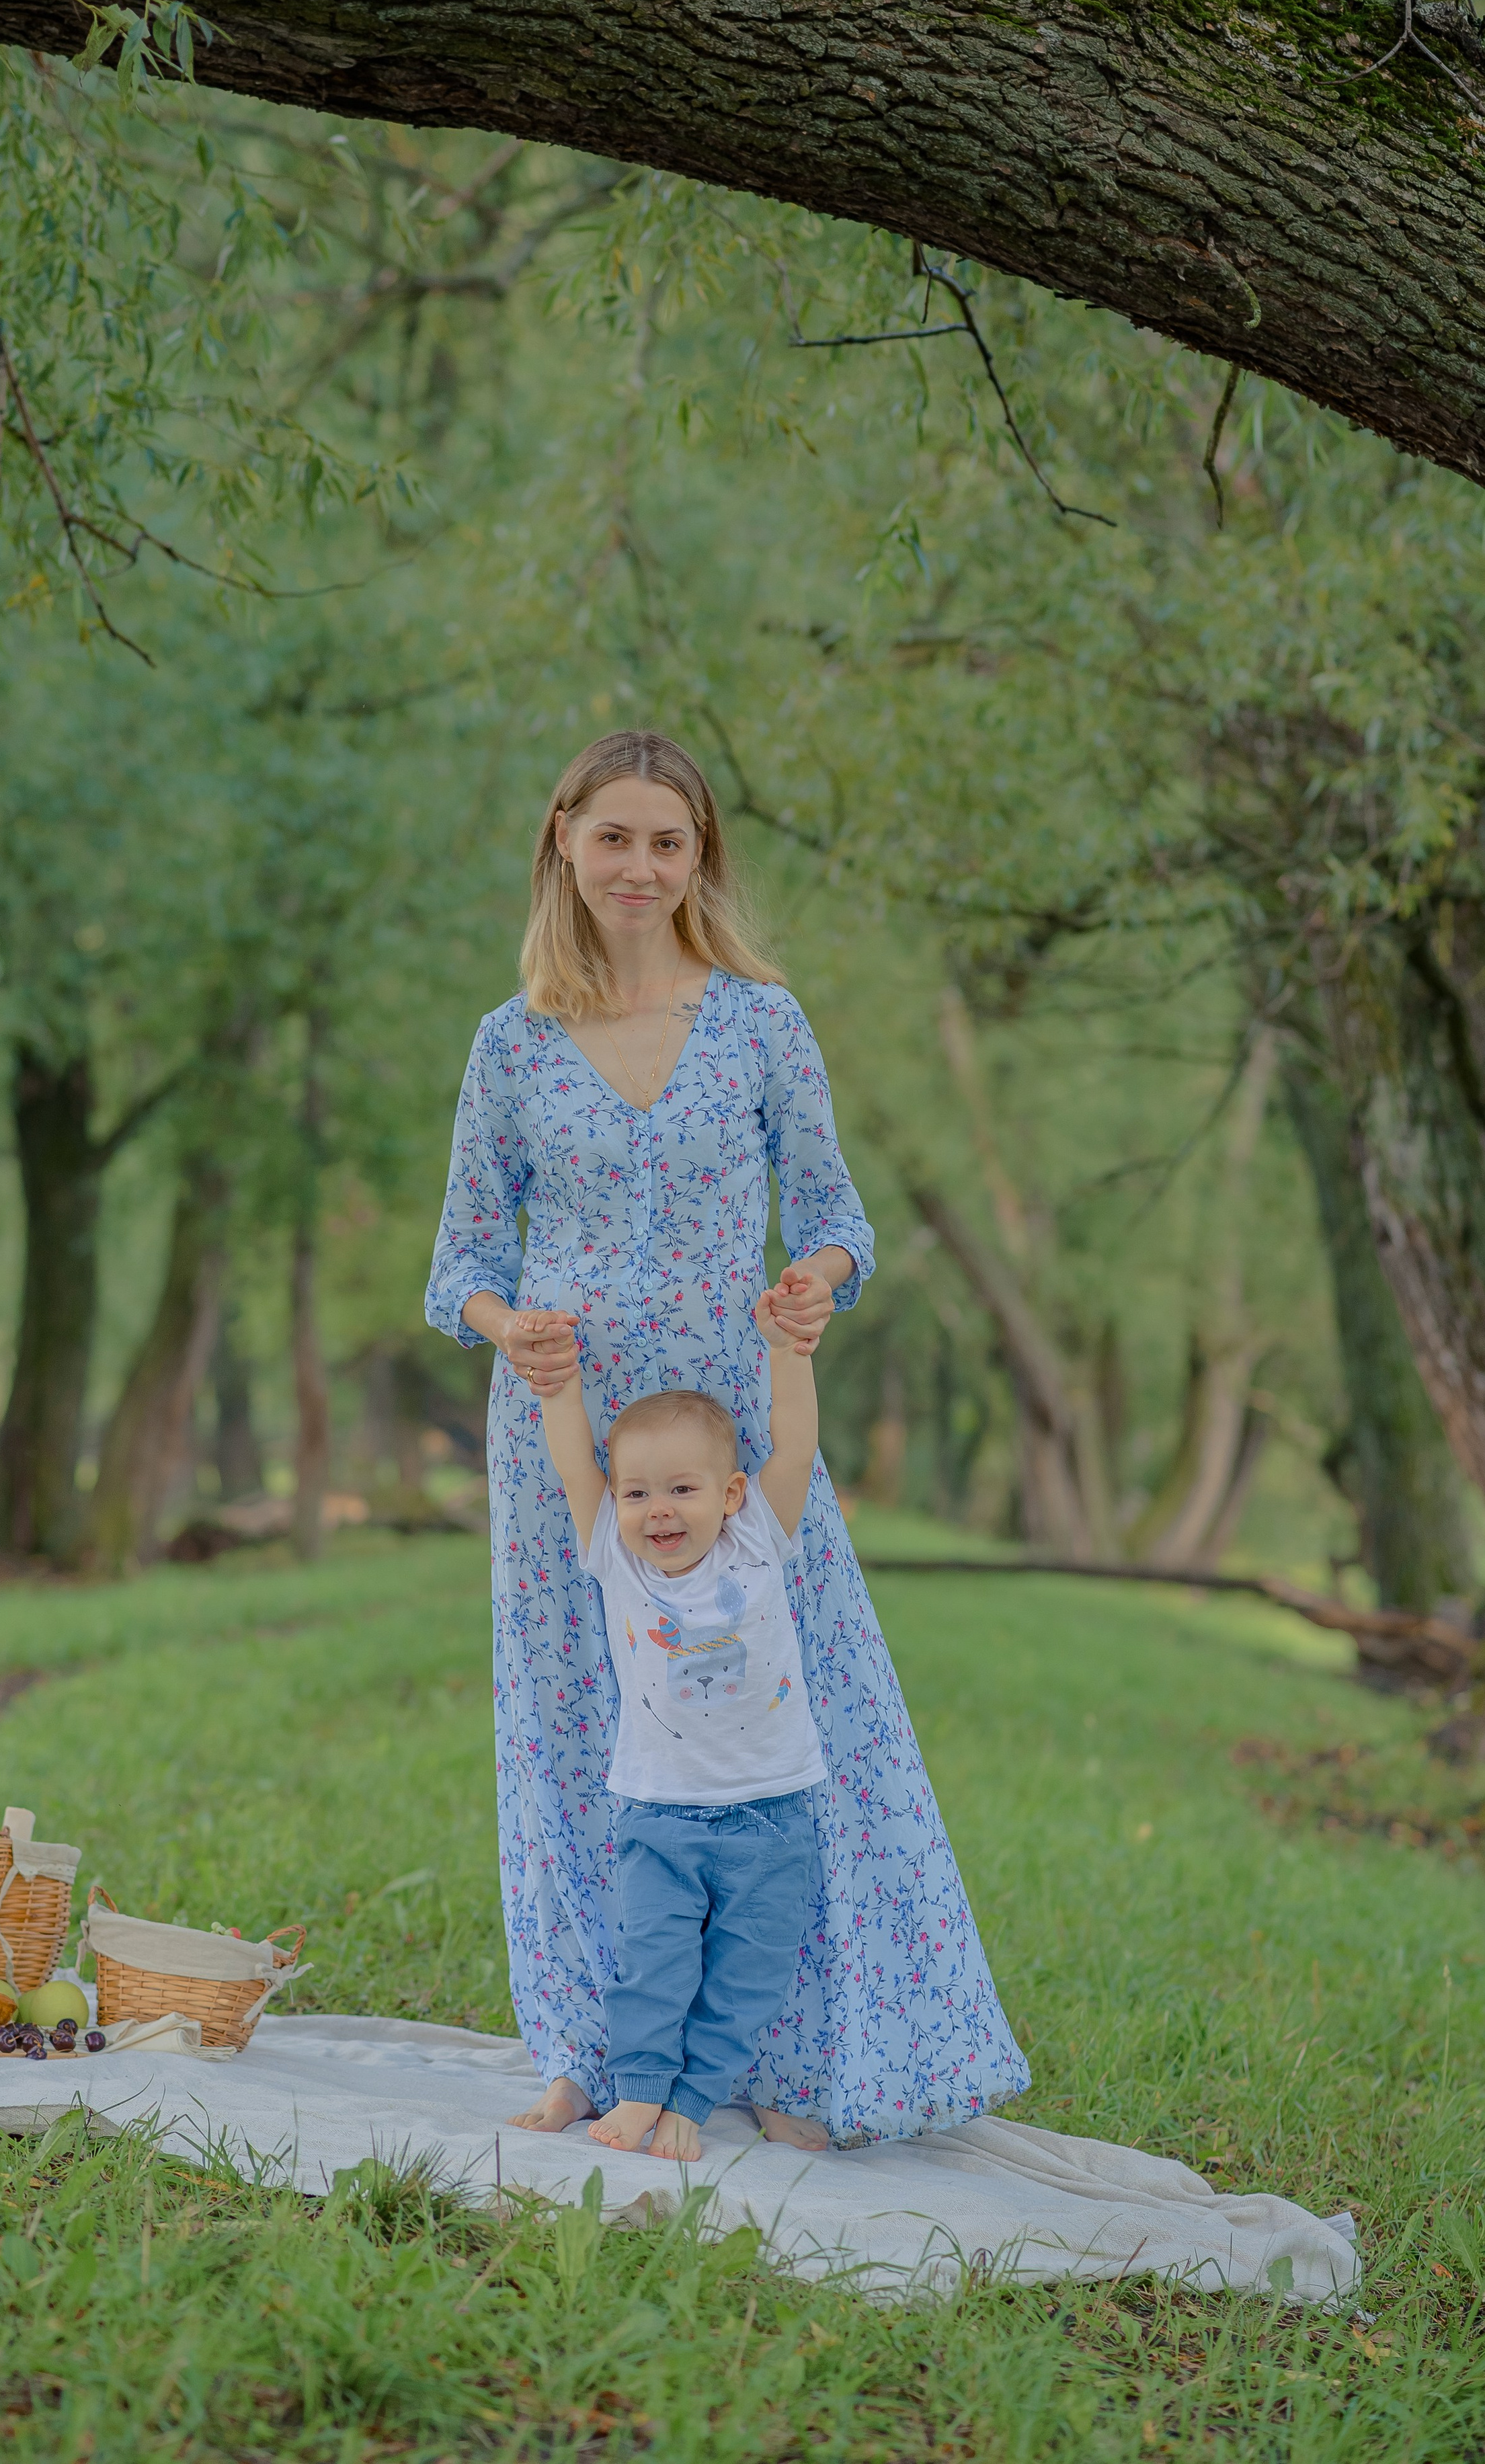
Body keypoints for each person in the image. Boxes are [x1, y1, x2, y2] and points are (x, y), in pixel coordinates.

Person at [426, 728, 1027, 2147]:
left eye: (669, 842)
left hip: (732, 1427)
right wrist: (506, 1327)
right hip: (570, 1439)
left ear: (699, 860)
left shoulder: (760, 1022)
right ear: (562, 837)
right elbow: (460, 1256)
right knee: (575, 1723)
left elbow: (835, 1214)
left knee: (786, 1719)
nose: (639, 866)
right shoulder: (508, 1044)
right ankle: (587, 2047)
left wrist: (814, 1279)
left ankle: (801, 2053)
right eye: (614, 836)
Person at [537, 1283, 827, 2161]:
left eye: (681, 1490)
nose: (657, 1509)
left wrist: (787, 1352)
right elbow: (574, 1467)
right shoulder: (616, 1559)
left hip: (773, 1812)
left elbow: (797, 1441)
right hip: (659, 1810)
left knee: (749, 1975)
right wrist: (559, 1391)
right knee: (653, 1966)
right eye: (637, 1493)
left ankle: (695, 2102)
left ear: (731, 1494)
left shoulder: (757, 1537)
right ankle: (638, 2092)